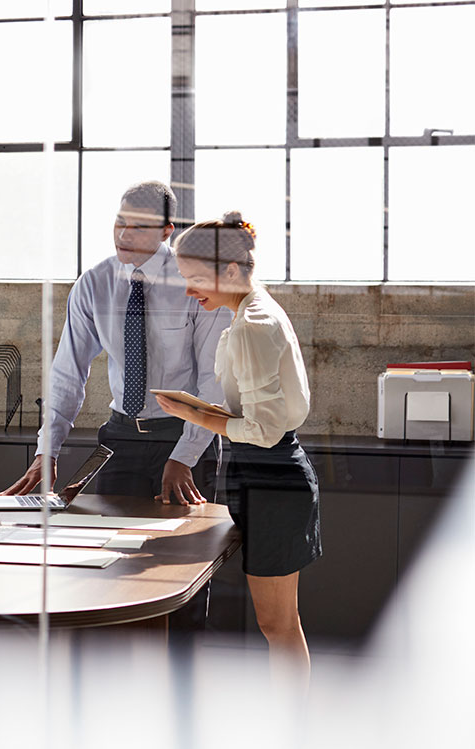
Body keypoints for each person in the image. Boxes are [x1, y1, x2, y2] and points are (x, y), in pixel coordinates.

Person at [2, 180, 230, 629]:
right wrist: (47, 450)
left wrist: (183, 457)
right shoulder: (95, 284)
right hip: (121, 437)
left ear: (167, 230)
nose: (123, 234)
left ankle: (184, 678)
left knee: (179, 570)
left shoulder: (193, 284)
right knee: (111, 564)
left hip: (181, 438)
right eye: (119, 222)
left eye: (138, 227)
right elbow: (68, 374)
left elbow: (213, 382)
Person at [155, 211, 320, 686]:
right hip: (263, 474)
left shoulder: (253, 323)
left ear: (229, 270)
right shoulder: (250, 311)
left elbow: (265, 430)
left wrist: (195, 415)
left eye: (194, 279)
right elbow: (256, 412)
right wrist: (201, 409)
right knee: (280, 624)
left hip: (273, 475)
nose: (189, 291)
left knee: (278, 624)